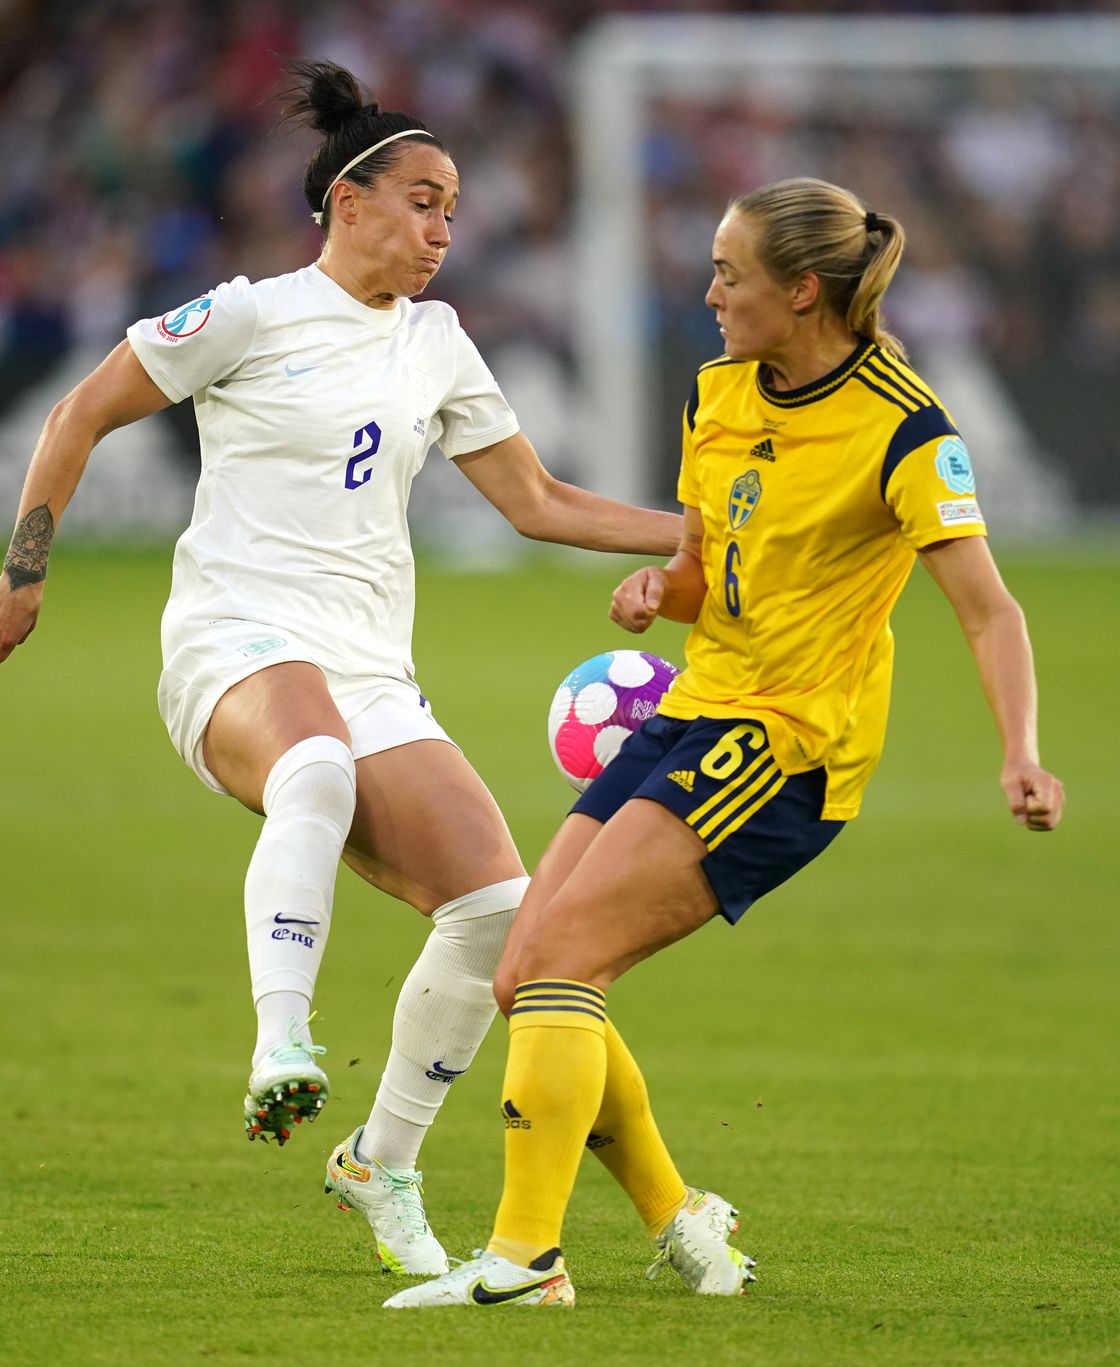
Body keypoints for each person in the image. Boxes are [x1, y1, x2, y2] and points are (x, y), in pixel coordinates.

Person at [0, 60, 680, 1278]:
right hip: (233, 638)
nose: (442, 230)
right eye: (421, 200)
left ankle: (381, 1157)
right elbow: (78, 412)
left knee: (503, 913)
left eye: (452, 209)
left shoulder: (439, 342)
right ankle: (282, 1042)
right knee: (315, 763)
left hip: (369, 661)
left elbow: (539, 499)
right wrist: (26, 568)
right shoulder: (246, 315)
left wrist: (705, 535)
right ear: (347, 200)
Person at [383, 177, 1066, 1310]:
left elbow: (990, 608)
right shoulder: (720, 392)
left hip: (790, 744)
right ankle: (679, 1216)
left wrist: (1021, 752)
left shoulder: (903, 426)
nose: (707, 293)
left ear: (803, 291)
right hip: (697, 706)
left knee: (562, 965)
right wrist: (664, 587)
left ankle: (525, 1256)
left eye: (729, 275)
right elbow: (714, 574)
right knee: (522, 972)